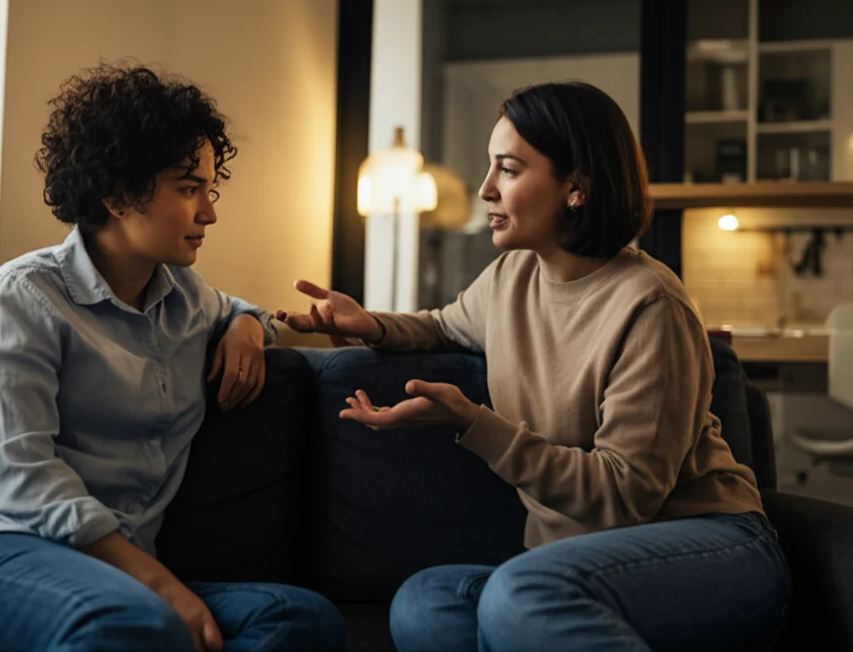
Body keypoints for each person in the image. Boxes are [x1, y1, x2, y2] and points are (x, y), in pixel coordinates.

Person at [276, 82, 790, 652]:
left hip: (703, 545)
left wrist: (474, 423)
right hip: (561, 566)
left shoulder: (650, 305)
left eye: (510, 170)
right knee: (426, 603)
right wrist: (368, 324)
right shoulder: (511, 278)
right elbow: (446, 325)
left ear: (577, 186)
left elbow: (625, 495)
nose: (485, 189)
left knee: (520, 594)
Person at [0, 64, 346, 652]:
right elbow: (14, 476)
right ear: (118, 193)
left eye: (211, 188)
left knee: (298, 618)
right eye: (188, 188)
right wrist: (157, 582)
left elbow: (240, 308)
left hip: (103, 571)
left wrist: (248, 327)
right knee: (135, 624)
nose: (209, 212)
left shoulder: (187, 300)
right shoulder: (23, 296)